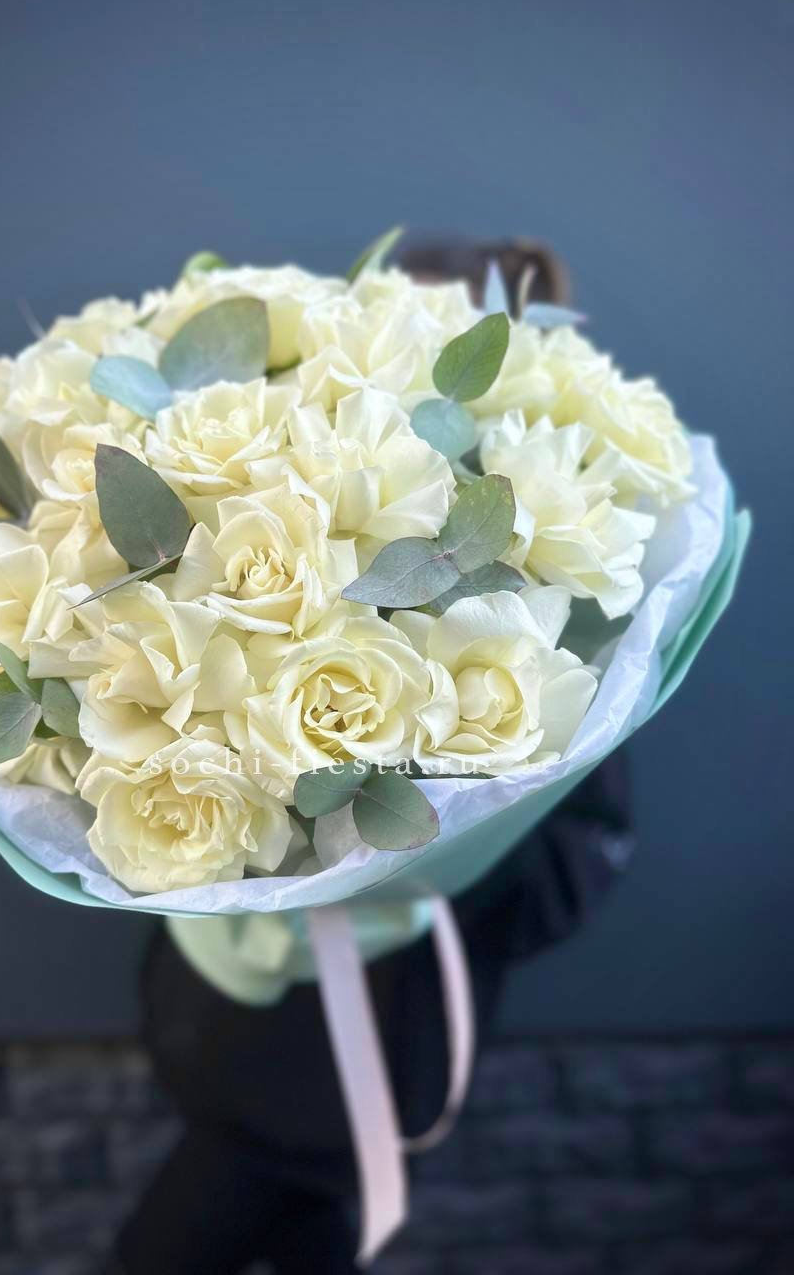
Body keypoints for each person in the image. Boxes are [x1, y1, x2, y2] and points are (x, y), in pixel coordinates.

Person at [106, 245, 634, 1275]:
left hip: (375, 1045)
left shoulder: (564, 630)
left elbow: (583, 850)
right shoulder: (302, 500)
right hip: (221, 1018)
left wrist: (436, 867)